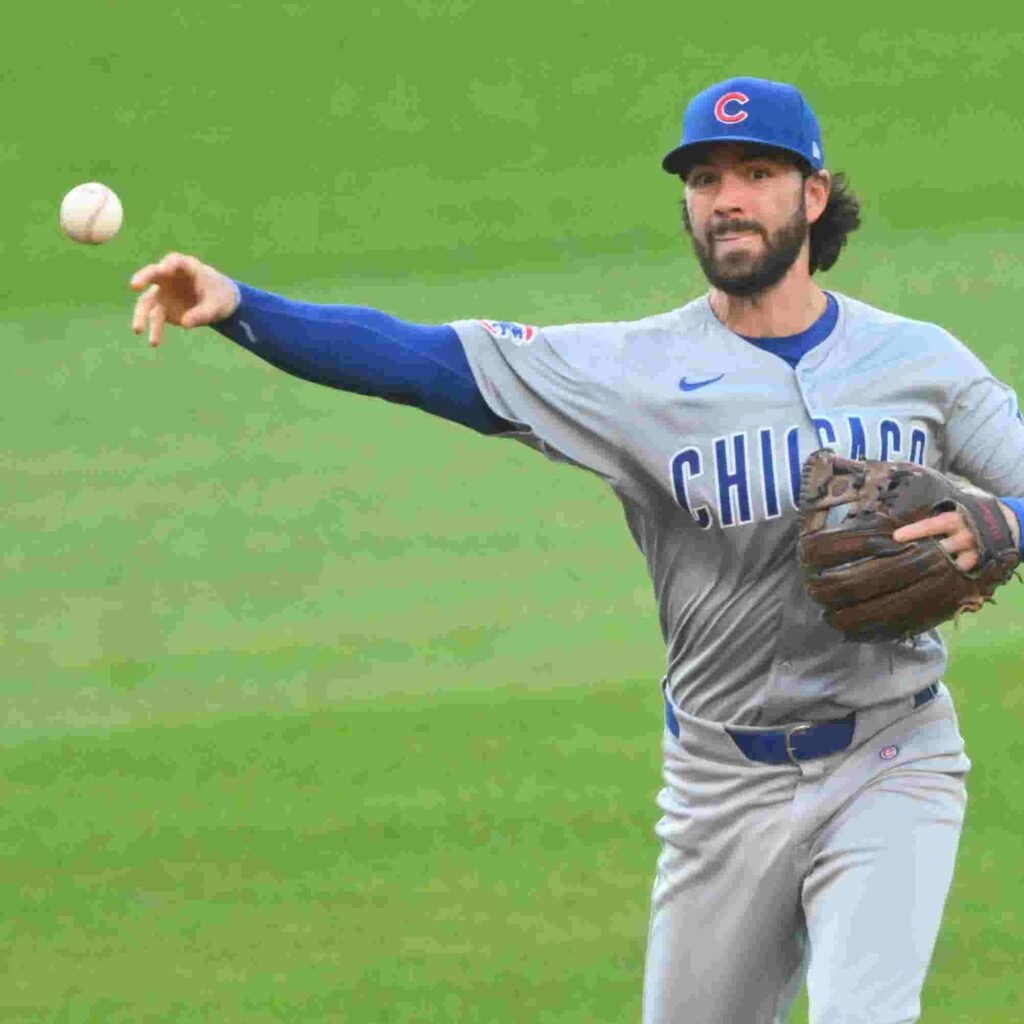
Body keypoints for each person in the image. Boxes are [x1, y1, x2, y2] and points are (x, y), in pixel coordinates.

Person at [129, 76, 1024, 1023]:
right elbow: (422, 362)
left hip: (894, 753)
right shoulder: (627, 371)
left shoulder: (919, 361)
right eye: (705, 177)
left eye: (758, 172)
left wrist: (1005, 522)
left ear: (811, 195)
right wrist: (237, 306)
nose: (727, 198)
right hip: (721, 785)